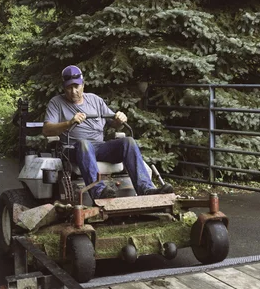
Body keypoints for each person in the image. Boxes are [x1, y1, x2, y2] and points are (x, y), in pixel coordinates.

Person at [42, 65, 174, 199]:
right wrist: (69, 123)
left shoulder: (95, 100)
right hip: (74, 148)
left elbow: (116, 125)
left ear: (83, 85)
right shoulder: (56, 103)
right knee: (84, 143)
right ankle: (98, 192)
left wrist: (120, 119)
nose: (73, 91)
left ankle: (146, 189)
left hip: (99, 147)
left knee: (128, 142)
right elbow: (46, 130)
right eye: (69, 88)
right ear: (64, 88)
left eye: (76, 87)